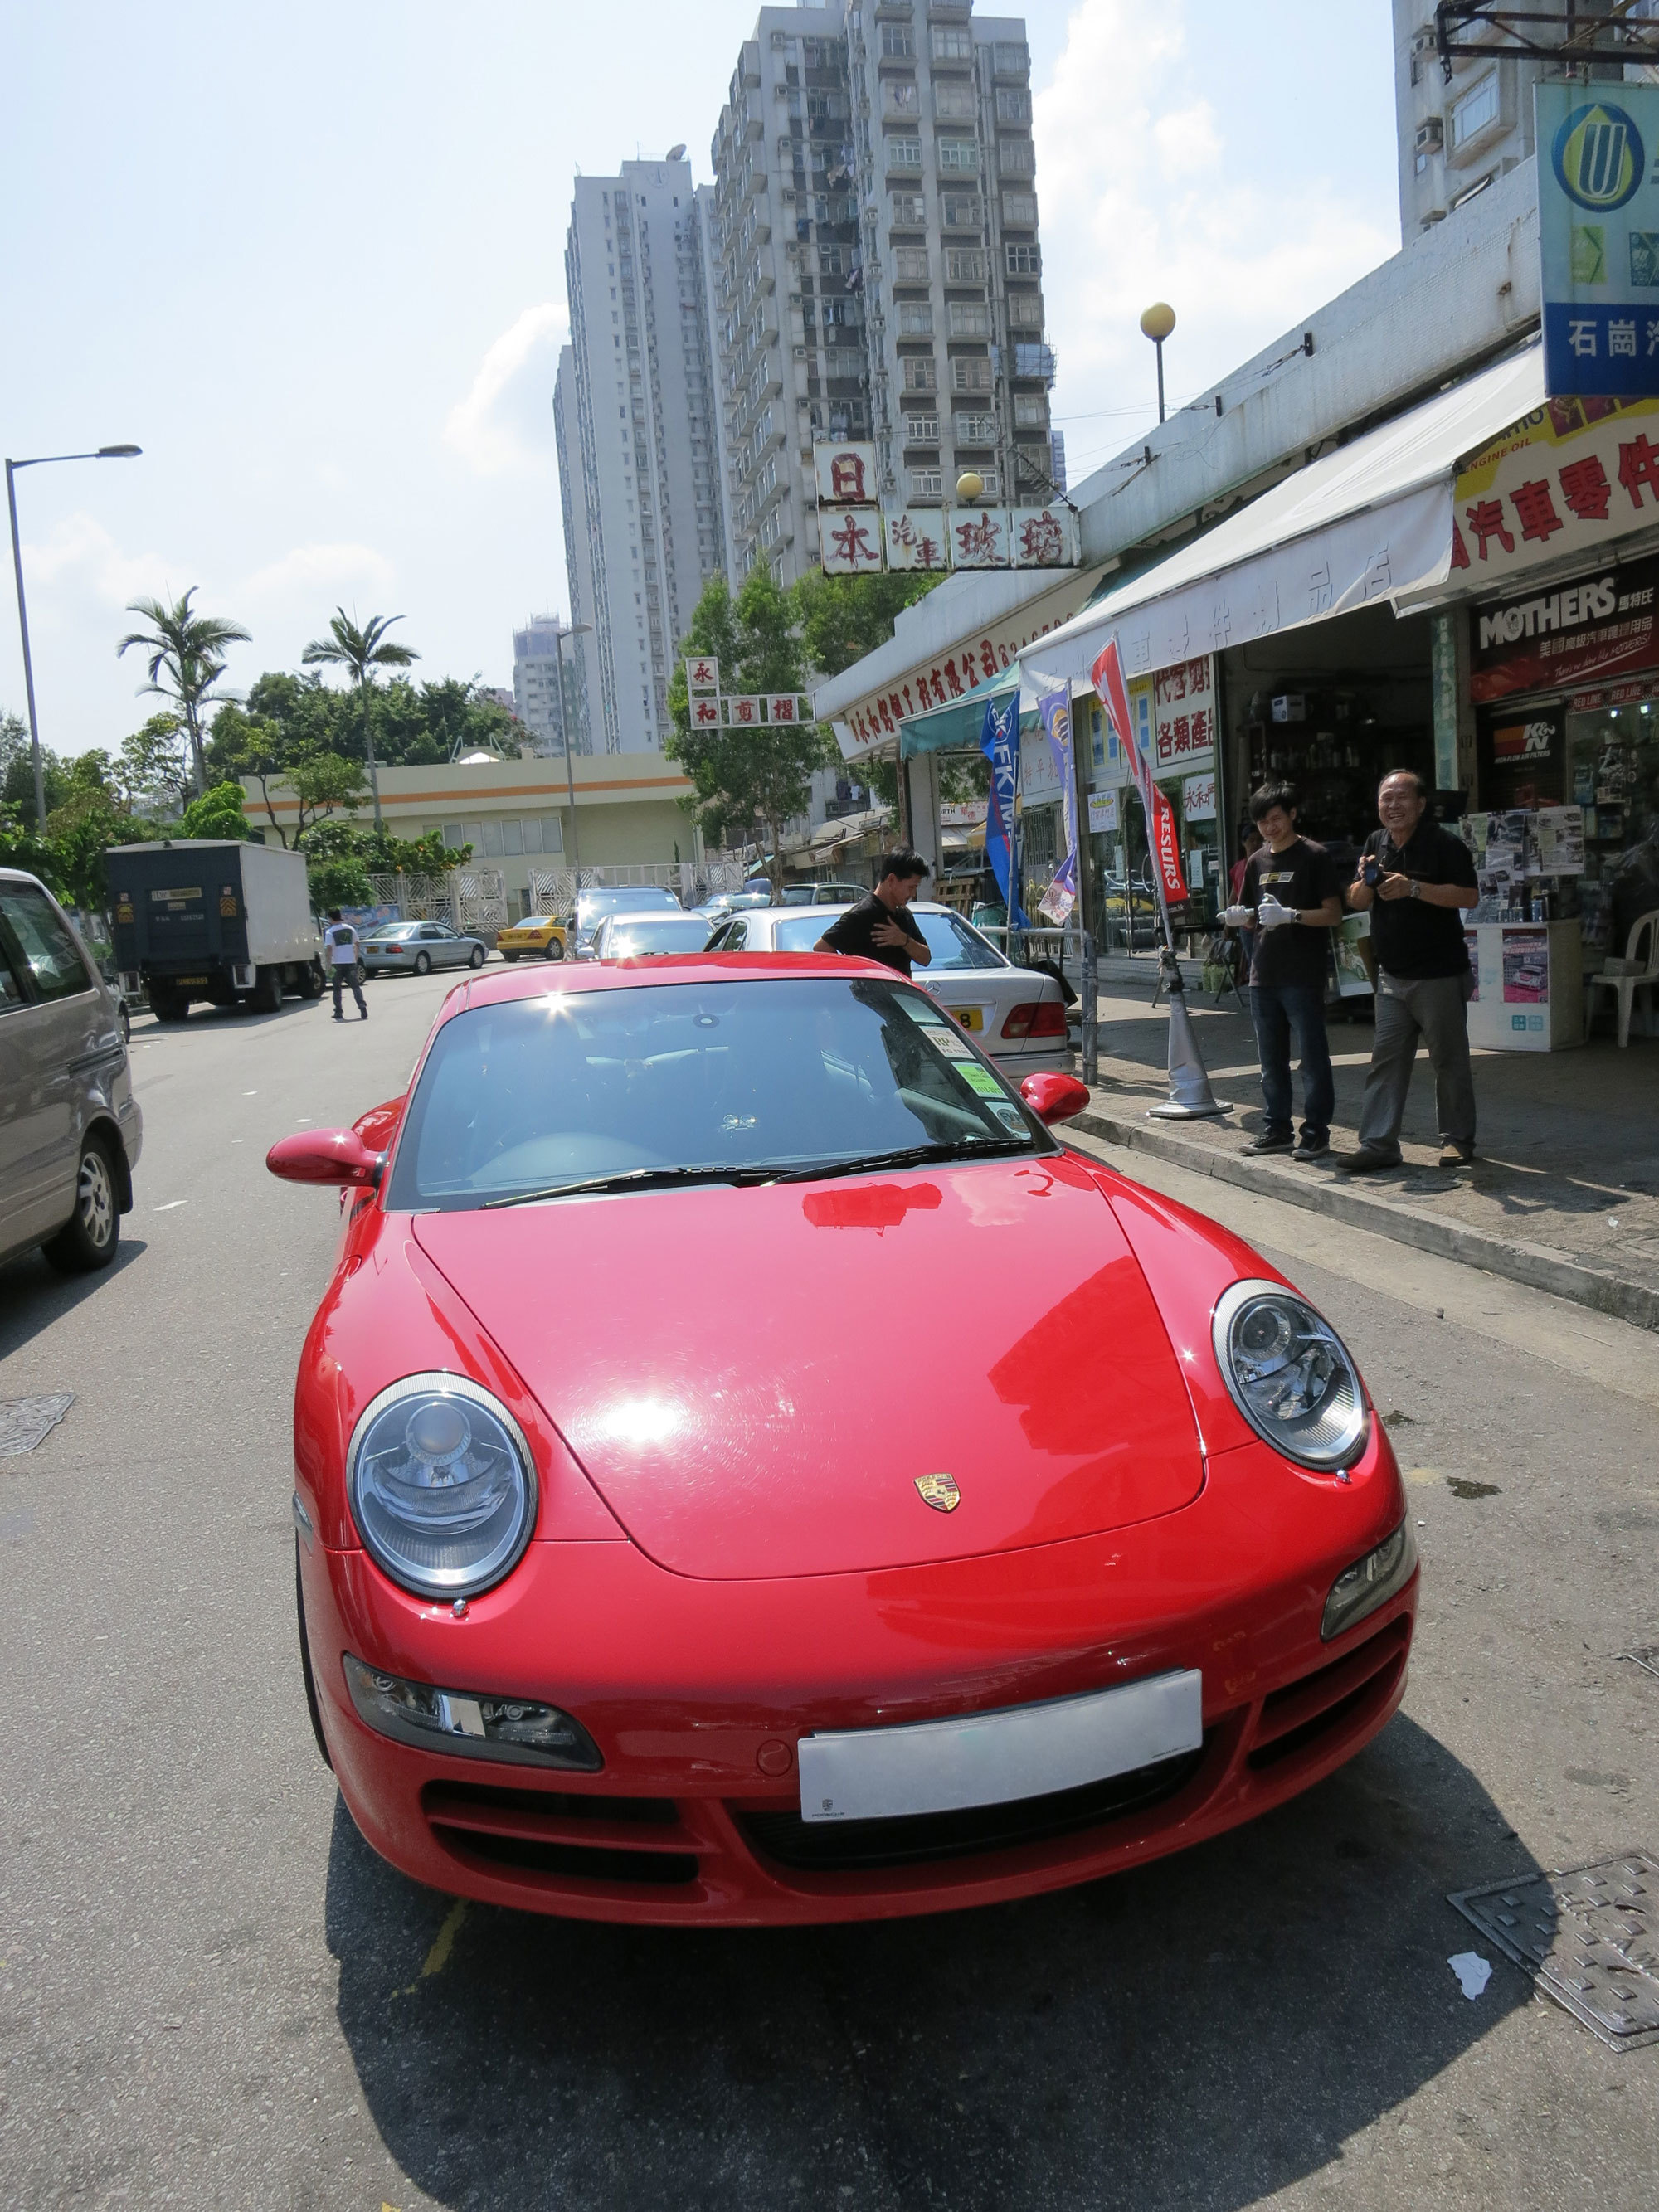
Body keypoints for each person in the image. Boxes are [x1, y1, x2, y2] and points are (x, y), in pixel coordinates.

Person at [1339, 770, 1478, 1173]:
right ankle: (1378, 1144)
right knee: (1386, 1061)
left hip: (1438, 974)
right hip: (1391, 976)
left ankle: (1457, 1140)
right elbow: (1357, 901)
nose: (1393, 805)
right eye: (1386, 798)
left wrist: (1412, 887)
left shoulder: (1444, 844)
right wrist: (1367, 880)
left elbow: (1469, 895)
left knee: (1448, 1060)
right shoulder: (1374, 843)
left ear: (1420, 804)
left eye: (1402, 798)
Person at [1221, 783, 1344, 1160]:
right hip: (1264, 973)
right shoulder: (1257, 861)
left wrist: (1293, 916)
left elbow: (1335, 913)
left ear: (1292, 814)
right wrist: (1239, 918)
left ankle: (1316, 1132)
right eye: (1262, 822)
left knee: (1312, 1058)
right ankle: (1277, 1129)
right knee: (1270, 1063)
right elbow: (1250, 915)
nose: (1270, 828)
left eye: (1276, 818)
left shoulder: (1314, 856)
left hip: (1302, 974)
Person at [814, 851, 934, 978]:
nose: (913, 894)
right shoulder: (862, 914)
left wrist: (904, 940)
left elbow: (925, 959)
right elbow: (821, 947)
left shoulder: (904, 914)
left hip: (901, 995)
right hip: (868, 997)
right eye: (911, 887)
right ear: (892, 880)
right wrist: (852, 974)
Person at [324, 908, 367, 1022]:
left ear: (330, 918)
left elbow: (329, 949)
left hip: (336, 964)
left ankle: (338, 1011)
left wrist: (328, 964)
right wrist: (356, 957)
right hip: (350, 962)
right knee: (355, 986)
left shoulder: (330, 932)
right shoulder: (350, 929)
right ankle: (361, 1005)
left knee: (337, 988)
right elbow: (357, 944)